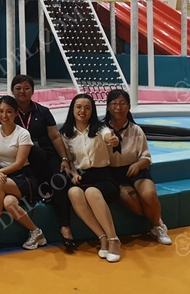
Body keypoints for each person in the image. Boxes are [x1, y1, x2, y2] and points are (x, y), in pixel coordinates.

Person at [9, 75, 75, 249]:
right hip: (22, 160)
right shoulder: (8, 112)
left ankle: (65, 227)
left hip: (48, 156)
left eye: (26, 88)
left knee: (59, 182)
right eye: (18, 88)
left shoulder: (43, 111)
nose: (22, 91)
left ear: (32, 91)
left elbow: (55, 136)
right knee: (34, 153)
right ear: (12, 90)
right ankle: (45, 190)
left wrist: (64, 159)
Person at [104, 88, 171, 245]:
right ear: (108, 107)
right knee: (133, 202)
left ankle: (157, 226)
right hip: (114, 174)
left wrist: (138, 165)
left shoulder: (136, 130)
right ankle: (155, 218)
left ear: (129, 107)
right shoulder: (102, 130)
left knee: (149, 195)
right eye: (114, 104)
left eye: (123, 104)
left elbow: (146, 157)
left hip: (137, 170)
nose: (118, 107)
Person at [61, 93, 122, 263]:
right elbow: (69, 160)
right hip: (83, 177)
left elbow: (109, 137)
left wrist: (112, 139)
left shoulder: (100, 128)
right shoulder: (66, 134)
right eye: (79, 107)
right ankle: (102, 237)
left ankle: (113, 239)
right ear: (72, 109)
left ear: (92, 110)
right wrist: (73, 174)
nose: (83, 111)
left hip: (104, 176)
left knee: (92, 192)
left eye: (87, 108)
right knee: (73, 192)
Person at [0, 96, 47, 253]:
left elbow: (19, 163)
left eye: (9, 112)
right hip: (2, 176)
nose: (4, 115)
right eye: (1, 111)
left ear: (16, 113)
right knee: (9, 202)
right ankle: (37, 232)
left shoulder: (23, 133)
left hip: (23, 177)